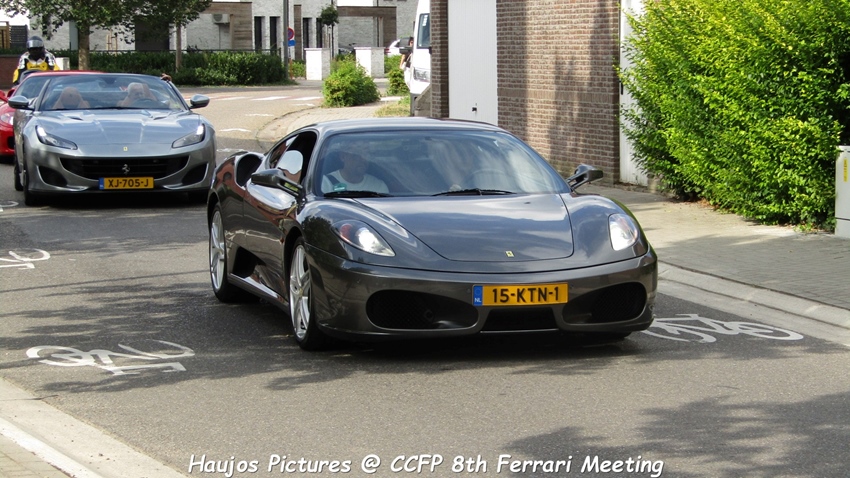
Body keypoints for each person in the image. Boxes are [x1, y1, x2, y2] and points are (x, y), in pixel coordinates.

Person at [322, 143, 388, 194]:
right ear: (343, 156)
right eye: (356, 154)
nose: (363, 159)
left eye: (366, 154)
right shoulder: (326, 183)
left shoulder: (378, 186)